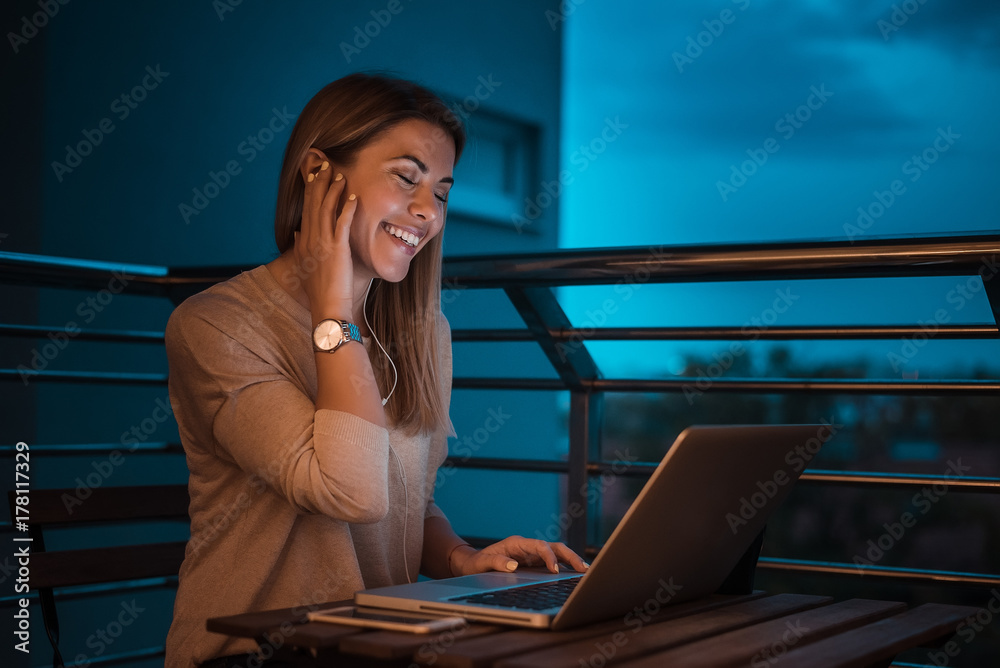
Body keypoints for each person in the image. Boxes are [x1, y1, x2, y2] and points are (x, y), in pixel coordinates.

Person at [164, 73, 588, 668]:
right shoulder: (215, 326)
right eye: (405, 177)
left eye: (441, 191)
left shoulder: (423, 332)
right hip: (252, 651)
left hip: (378, 644)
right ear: (318, 174)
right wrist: (333, 311)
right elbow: (354, 492)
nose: (427, 212)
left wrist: (460, 558)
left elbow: (403, 497)